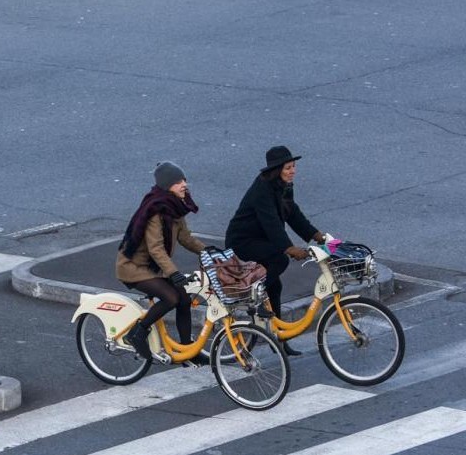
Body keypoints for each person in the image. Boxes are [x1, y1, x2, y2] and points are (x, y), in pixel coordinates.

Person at [225, 145, 327, 356]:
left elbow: (293, 214)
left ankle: (279, 340)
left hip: (261, 240)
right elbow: (270, 222)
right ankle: (252, 296)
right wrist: (289, 248)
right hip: (242, 242)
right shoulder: (262, 189)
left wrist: (319, 236)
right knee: (279, 260)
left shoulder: (284, 186)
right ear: (277, 169)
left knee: (276, 287)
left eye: (293, 166)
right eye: (288, 167)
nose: (293, 171)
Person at [114, 162, 207, 365]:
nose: (184, 184)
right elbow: (156, 248)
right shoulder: (156, 210)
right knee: (171, 298)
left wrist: (206, 250)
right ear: (167, 186)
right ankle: (137, 333)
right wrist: (173, 273)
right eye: (178, 182)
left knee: (184, 298)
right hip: (134, 268)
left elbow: (185, 237)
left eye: (184, 180)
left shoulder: (175, 206)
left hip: (153, 267)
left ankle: (188, 350)